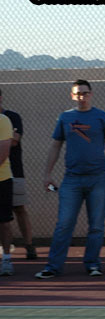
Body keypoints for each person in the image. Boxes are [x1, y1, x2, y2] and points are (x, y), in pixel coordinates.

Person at [35, 80, 105, 279]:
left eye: (85, 93)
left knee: (96, 225)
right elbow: (55, 146)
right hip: (72, 180)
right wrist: (47, 175)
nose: (82, 97)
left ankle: (93, 264)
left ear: (91, 94)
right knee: (64, 223)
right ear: (72, 95)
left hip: (98, 179)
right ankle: (53, 266)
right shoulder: (65, 117)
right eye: (78, 94)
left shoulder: (102, 117)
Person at [0, 88, 37, 260]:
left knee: (19, 208)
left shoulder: (12, 117)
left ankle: (29, 245)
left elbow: (13, 140)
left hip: (14, 171)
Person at [0, 112, 13, 276]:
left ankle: (7, 259)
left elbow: (2, 153)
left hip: (2, 179)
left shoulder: (3, 121)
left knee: (4, 222)